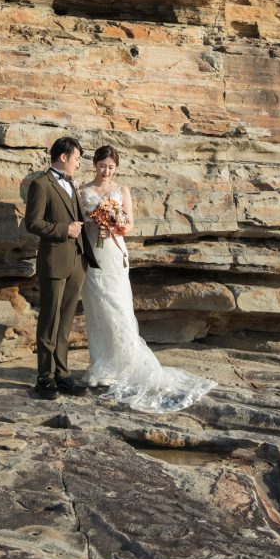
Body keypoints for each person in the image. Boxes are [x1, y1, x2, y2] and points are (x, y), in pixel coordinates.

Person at [80, 145, 215, 412]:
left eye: (111, 167)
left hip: (115, 254)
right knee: (97, 310)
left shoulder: (122, 190)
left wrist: (113, 225)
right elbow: (81, 222)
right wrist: (96, 225)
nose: (106, 171)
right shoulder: (83, 191)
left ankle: (125, 363)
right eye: (102, 166)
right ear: (94, 164)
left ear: (116, 168)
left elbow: (129, 224)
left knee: (118, 307)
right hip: (92, 253)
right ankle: (101, 364)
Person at [25, 136, 99, 399]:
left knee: (66, 320)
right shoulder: (40, 185)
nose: (79, 164)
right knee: (49, 319)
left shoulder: (73, 184)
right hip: (54, 261)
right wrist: (62, 230)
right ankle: (44, 377)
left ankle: (62, 374)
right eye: (77, 158)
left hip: (77, 261)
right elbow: (32, 223)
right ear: (64, 157)